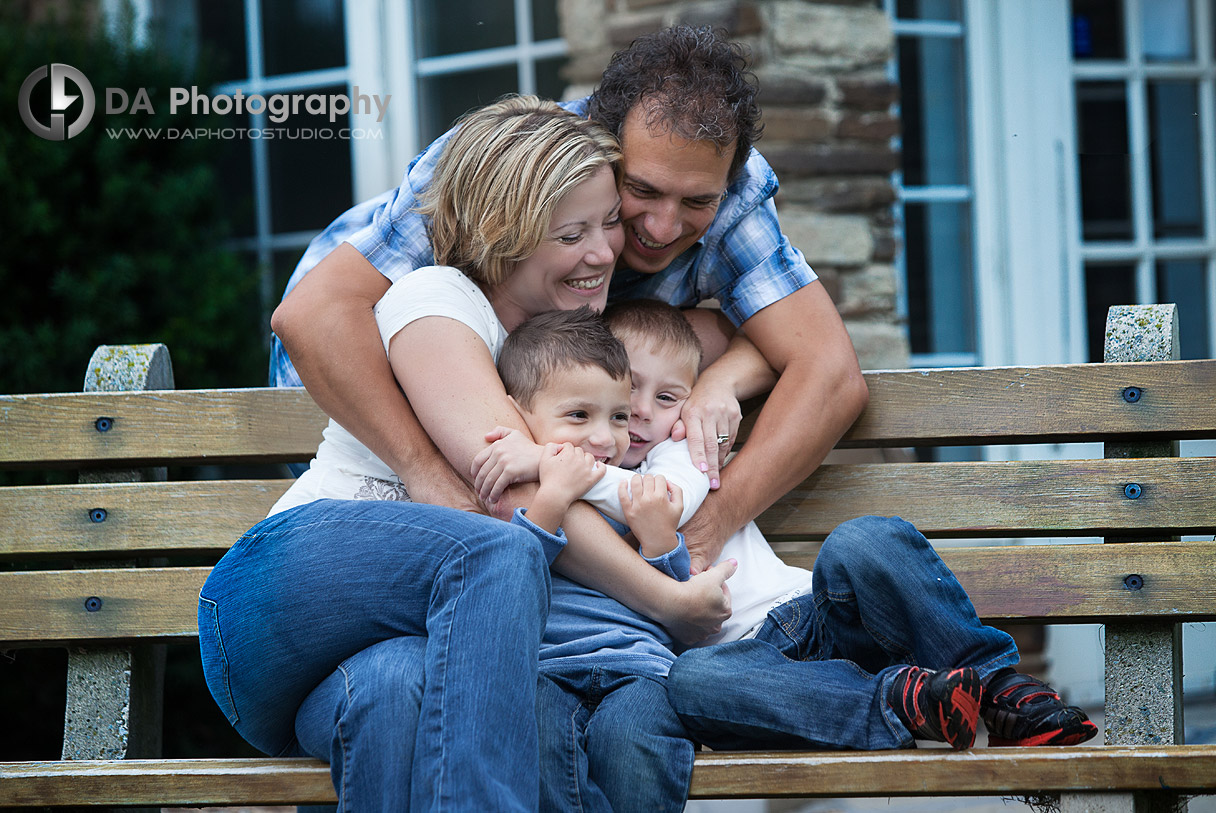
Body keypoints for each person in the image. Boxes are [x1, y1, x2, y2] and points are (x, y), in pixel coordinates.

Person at [268, 26, 870, 639]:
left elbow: (824, 369)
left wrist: (713, 487)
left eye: (696, 202)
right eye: (640, 192)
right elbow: (315, 318)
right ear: (605, 152)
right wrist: (426, 472)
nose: (662, 227)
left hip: (545, 393)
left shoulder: (729, 185)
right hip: (358, 384)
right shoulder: (520, 165)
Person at [198, 96, 675, 811]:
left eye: (609, 223)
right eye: (572, 232)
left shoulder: (556, 348)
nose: (605, 251)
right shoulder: (437, 299)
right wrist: (673, 601)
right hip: (276, 596)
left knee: (395, 691)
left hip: (352, 662)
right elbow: (504, 502)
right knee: (497, 550)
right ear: (501, 233)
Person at [478, 298, 1100, 752]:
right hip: (750, 666)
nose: (637, 415)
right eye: (625, 394)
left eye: (668, 399)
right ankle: (904, 702)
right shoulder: (570, 500)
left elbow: (658, 499)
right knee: (691, 681)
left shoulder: (678, 454)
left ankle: (1004, 691)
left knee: (866, 539)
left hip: (814, 613)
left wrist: (545, 460)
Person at [489, 306, 696, 812]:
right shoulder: (512, 493)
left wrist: (659, 541)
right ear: (518, 414)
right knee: (534, 740)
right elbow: (515, 577)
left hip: (639, 666)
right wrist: (552, 498)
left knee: (633, 745)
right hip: (547, 669)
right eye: (579, 416)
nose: (605, 439)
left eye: (618, 417)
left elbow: (677, 604)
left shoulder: (635, 491)